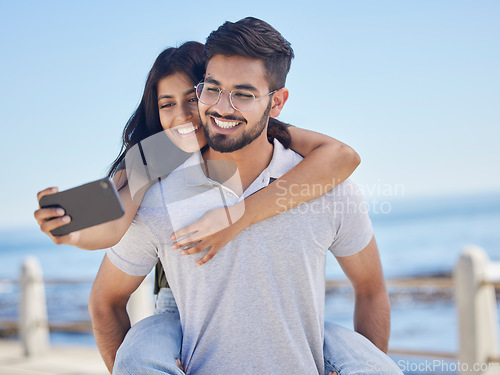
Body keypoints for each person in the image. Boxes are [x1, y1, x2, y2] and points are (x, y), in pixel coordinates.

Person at [90, 17, 403, 375]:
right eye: (212, 89)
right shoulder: (154, 184)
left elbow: (371, 289)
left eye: (244, 94)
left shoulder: (326, 184)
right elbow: (105, 294)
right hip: (172, 313)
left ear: (277, 102)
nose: (223, 108)